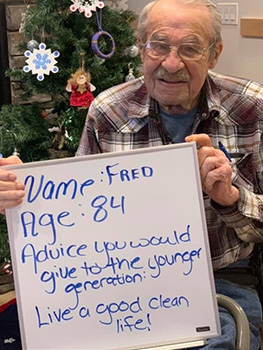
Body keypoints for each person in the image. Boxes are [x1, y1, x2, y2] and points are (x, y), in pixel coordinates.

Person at [1, 0, 263, 348]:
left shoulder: (251, 107)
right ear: (140, 48)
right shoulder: (108, 111)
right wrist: (24, 197)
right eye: (157, 45)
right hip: (116, 280)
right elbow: (78, 218)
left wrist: (228, 198)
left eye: (190, 49)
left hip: (222, 281)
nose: (172, 63)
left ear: (214, 54)